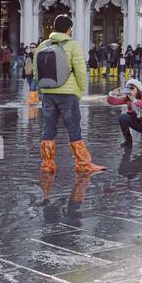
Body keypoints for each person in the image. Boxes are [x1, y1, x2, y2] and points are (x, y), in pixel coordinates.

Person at [33, 13, 104, 175]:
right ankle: (83, 164)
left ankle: (47, 164)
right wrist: (79, 91)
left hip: (48, 94)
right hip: (68, 94)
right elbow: (80, 71)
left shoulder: (43, 46)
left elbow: (37, 73)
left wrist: (43, 88)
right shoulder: (73, 45)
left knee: (48, 128)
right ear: (68, 29)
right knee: (73, 128)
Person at [108, 77, 142, 149]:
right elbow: (113, 102)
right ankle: (128, 142)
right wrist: (112, 93)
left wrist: (135, 100)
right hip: (138, 122)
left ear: (138, 89)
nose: (130, 90)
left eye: (132, 88)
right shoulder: (129, 97)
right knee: (122, 117)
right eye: (128, 88)